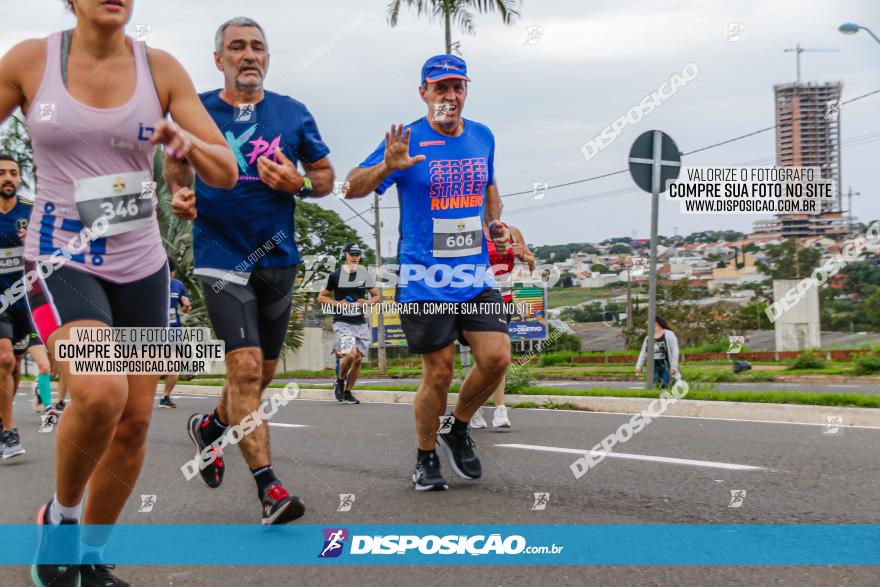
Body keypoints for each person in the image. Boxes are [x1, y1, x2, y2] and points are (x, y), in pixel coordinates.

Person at [0, 0, 238, 584]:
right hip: (60, 260)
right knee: (100, 393)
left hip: (141, 265)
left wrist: (186, 146)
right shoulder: (32, 60)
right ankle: (61, 519)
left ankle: (91, 556)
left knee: (133, 424)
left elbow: (225, 169)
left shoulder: (160, 69)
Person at [167, 17, 334, 525]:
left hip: (278, 260)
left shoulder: (292, 113)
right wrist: (180, 191)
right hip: (220, 257)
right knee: (242, 367)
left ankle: (212, 426)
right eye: (236, 47)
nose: (248, 55)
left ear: (267, 57)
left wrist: (298, 182)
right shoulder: (195, 111)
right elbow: (177, 162)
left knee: (258, 377)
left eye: (257, 47)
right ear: (219, 59)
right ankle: (270, 488)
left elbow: (326, 178)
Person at [345, 54, 511, 491]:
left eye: (457, 87)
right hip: (425, 279)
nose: (450, 95)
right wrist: (388, 166)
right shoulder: (407, 139)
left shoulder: (483, 136)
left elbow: (489, 186)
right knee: (437, 373)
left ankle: (456, 427)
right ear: (424, 93)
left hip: (474, 277)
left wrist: (496, 222)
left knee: (496, 358)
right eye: (440, 88)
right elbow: (350, 186)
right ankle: (424, 457)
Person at [470, 221, 534, 430]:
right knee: (486, 356)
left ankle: (498, 409)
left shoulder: (513, 232)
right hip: (479, 300)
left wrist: (523, 256)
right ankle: (476, 406)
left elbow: (532, 265)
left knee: (498, 356)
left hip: (504, 300)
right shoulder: (474, 233)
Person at [0, 154, 33, 459]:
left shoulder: (30, 211)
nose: (7, 178)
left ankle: (1, 417)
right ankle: (8, 432)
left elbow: (53, 248)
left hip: (24, 301)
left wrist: (33, 241)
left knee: (16, 364)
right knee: (5, 359)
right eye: (1, 173)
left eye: (12, 173)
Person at [317, 243, 379, 404]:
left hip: (360, 322)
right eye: (351, 254)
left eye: (357, 254)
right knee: (350, 353)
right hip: (342, 322)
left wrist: (366, 302)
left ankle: (347, 392)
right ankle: (339, 381)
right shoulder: (335, 276)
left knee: (357, 359)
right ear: (344, 255)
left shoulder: (364, 275)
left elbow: (376, 297)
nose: (354, 257)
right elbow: (322, 296)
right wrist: (337, 303)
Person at [159, 259, 191, 408]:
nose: (168, 277)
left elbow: (186, 308)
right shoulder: (153, 283)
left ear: (173, 273)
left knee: (174, 366)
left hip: (175, 330)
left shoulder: (178, 285)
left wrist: (186, 306)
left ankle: (166, 396)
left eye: (170, 274)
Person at [635, 316, 680, 389]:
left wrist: (673, 367)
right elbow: (643, 352)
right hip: (653, 368)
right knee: (655, 387)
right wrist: (638, 366)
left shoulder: (669, 334)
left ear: (656, 323)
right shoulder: (648, 337)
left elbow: (675, 351)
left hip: (666, 366)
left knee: (666, 386)